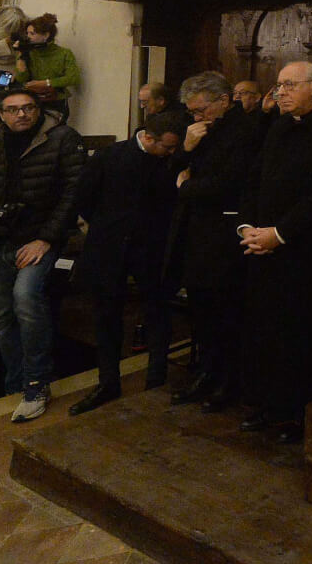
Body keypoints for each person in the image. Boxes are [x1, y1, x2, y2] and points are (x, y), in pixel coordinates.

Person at [237, 61, 312, 443]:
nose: (280, 92)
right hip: (264, 247)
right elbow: (253, 179)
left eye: (289, 85)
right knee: (264, 331)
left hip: (308, 253)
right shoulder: (279, 125)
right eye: (279, 85)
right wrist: (247, 227)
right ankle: (267, 403)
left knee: (302, 335)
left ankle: (300, 413)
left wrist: (280, 234)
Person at [0, 87, 87, 421]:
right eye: (13, 109)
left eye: (28, 108)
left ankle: (36, 383)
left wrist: (45, 239)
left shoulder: (62, 138)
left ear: (38, 109)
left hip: (39, 237)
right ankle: (15, 383)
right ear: (1, 113)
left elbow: (73, 192)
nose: (21, 114)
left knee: (27, 300)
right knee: (3, 315)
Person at [70, 110, 190, 415]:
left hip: (152, 248)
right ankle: (108, 382)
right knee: (106, 315)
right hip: (109, 246)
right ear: (148, 138)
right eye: (167, 146)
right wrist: (110, 225)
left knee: (157, 311)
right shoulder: (110, 155)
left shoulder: (171, 160)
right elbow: (84, 197)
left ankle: (156, 379)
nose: (171, 152)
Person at [171, 71, 262, 411]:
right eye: (191, 111)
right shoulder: (198, 130)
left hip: (225, 233)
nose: (196, 117)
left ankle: (229, 381)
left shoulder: (246, 131)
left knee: (226, 311)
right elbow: (172, 172)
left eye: (200, 110)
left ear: (224, 101)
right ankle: (206, 373)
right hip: (196, 231)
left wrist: (186, 187)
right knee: (201, 309)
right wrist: (187, 147)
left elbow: (229, 183)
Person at [17, 12, 81, 121]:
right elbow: (21, 78)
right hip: (32, 101)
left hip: (55, 100)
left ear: (46, 35)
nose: (28, 37)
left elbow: (73, 78)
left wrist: (46, 83)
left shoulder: (64, 53)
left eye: (32, 33)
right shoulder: (28, 52)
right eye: (27, 33)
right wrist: (21, 56)